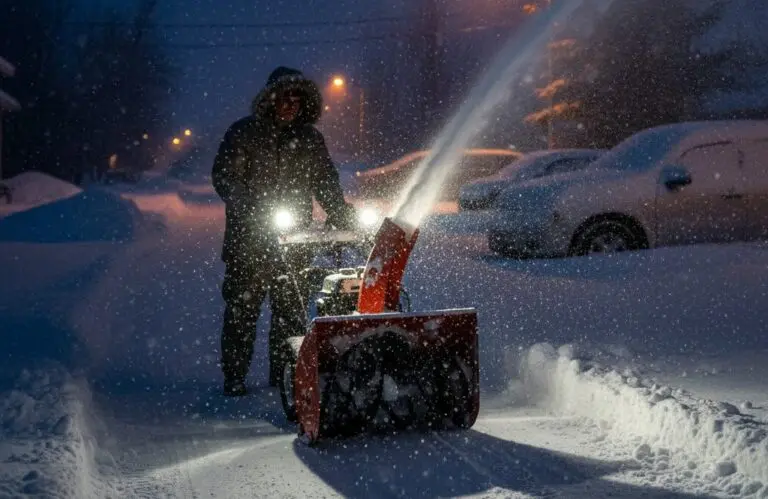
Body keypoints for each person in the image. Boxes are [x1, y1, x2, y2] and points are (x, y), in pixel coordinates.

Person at [212, 66, 357, 396]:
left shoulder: (309, 139)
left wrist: (341, 213)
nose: (290, 104)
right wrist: (249, 208)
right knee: (241, 313)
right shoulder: (244, 133)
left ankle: (285, 374)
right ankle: (234, 376)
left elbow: (325, 182)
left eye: (296, 99)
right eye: (283, 98)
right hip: (247, 243)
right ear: (270, 99)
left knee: (290, 313)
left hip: (294, 243)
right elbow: (225, 178)